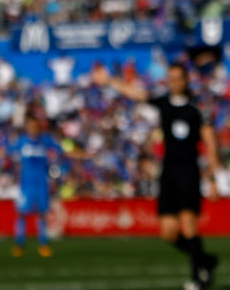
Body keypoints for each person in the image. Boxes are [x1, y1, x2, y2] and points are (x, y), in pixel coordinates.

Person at [93, 62, 221, 290]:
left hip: (189, 171)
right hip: (169, 172)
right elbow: (138, 94)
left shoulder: (196, 108)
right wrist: (111, 81)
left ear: (186, 80)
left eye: (178, 78)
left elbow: (210, 142)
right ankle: (205, 260)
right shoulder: (163, 103)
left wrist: (212, 179)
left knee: (189, 223)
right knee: (168, 232)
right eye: (171, 79)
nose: (174, 83)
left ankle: (198, 279)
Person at [8, 114, 80, 257]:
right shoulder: (22, 142)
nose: (33, 128)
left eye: (35, 125)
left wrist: (83, 155)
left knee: (42, 214)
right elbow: (5, 152)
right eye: (31, 125)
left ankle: (44, 244)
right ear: (27, 127)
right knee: (22, 214)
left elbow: (64, 151)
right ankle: (20, 244)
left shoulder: (45, 140)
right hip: (26, 185)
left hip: (41, 184)